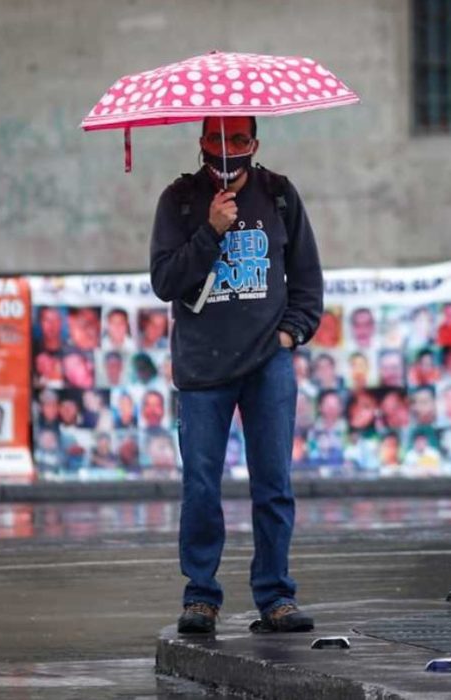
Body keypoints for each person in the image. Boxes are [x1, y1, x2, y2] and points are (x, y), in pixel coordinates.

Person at [150, 114, 323, 635]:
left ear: (255, 142)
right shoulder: (178, 201)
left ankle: (275, 596)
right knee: (201, 486)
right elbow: (164, 280)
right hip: (203, 368)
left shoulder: (280, 194)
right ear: (200, 142)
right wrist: (211, 231)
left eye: (238, 139)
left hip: (267, 366)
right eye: (215, 139)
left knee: (273, 485)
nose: (226, 150)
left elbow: (309, 281)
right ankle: (201, 596)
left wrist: (289, 335)